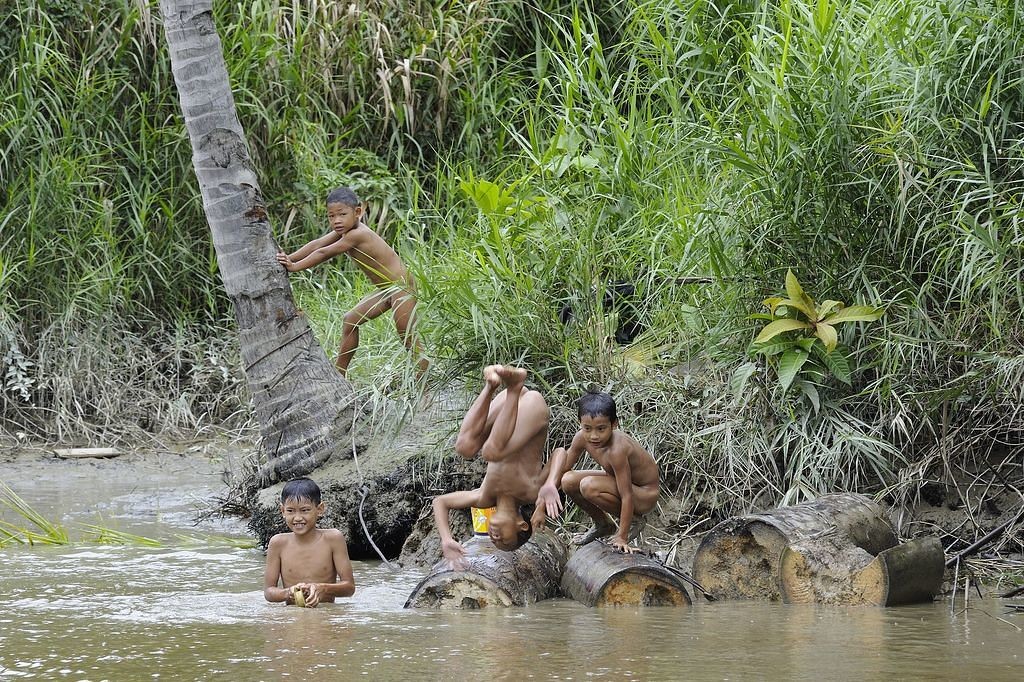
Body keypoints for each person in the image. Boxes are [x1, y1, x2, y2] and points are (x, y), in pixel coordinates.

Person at [276, 186, 427, 377]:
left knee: (407, 336)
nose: (336, 220)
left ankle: (425, 377)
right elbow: (317, 244)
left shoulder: (358, 234)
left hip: (402, 288)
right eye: (331, 216)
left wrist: (294, 267)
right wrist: (289, 258)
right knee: (350, 320)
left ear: (358, 212)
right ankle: (340, 373)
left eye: (342, 214)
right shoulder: (345, 231)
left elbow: (324, 252)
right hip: (386, 290)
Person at [432, 365, 550, 568]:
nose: (495, 537)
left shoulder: (483, 498)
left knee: (465, 447)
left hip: (506, 417)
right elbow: (560, 453)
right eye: (504, 539)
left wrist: (446, 539)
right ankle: (515, 386)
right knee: (491, 452)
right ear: (521, 525)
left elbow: (440, 501)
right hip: (533, 409)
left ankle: (491, 385)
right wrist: (549, 488)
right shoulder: (530, 494)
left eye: (494, 541)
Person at [535, 390, 659, 554]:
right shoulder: (581, 438)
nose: (593, 436)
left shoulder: (617, 450)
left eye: (601, 429)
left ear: (614, 424)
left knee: (589, 485)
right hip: (617, 482)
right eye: (587, 428)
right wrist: (540, 507)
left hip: (643, 495)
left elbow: (627, 494)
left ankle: (634, 521)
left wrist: (622, 537)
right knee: (568, 480)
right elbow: (562, 470)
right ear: (580, 423)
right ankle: (602, 524)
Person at [264, 477, 356, 606]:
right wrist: (288, 593)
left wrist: (322, 589)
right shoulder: (278, 543)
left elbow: (349, 588)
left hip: (325, 613)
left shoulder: (333, 539)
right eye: (290, 511)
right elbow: (269, 592)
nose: (297, 518)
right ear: (282, 511)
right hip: (292, 615)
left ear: (320, 509)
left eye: (305, 510)